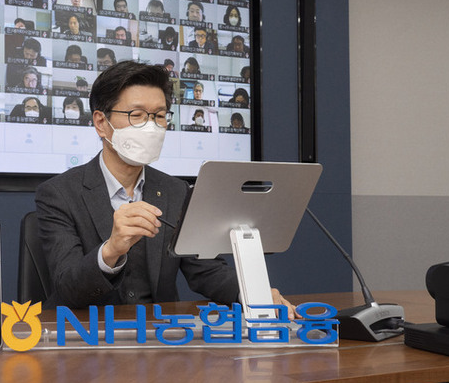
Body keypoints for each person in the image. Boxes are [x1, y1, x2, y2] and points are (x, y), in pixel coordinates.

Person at [35, 61, 296, 312]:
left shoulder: (176, 191)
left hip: (159, 332)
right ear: (101, 123)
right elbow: (67, 288)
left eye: (159, 116)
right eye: (137, 115)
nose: (151, 126)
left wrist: (254, 293)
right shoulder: (59, 194)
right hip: (86, 333)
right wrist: (111, 250)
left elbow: (206, 269)